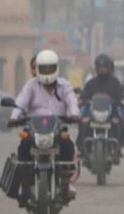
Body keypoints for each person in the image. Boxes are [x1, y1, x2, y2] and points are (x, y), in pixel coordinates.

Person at [8, 49, 80, 205]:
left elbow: (72, 101)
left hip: (57, 127)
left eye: (50, 68)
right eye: (44, 68)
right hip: (34, 128)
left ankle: (66, 182)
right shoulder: (31, 85)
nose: (47, 71)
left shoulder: (64, 85)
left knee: (68, 145)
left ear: (56, 67)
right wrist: (14, 117)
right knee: (23, 146)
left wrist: (74, 114)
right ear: (37, 68)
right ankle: (24, 185)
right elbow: (21, 103)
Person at [78, 54, 124, 158]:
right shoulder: (91, 82)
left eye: (105, 67)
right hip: (93, 113)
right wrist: (81, 100)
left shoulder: (115, 82)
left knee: (121, 124)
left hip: (111, 113)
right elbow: (84, 94)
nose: (102, 70)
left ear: (110, 68)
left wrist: (122, 100)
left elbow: (121, 95)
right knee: (82, 123)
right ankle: (82, 148)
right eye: (100, 68)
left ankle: (118, 148)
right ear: (96, 68)